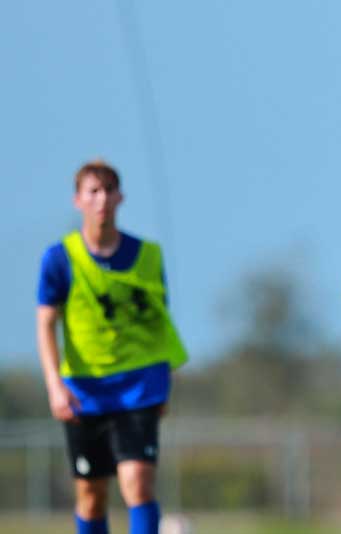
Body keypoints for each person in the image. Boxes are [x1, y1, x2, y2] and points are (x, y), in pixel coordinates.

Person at [36, 160, 186, 534]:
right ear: (78, 200)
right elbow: (46, 323)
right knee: (91, 493)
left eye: (108, 190)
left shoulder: (148, 255)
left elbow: (158, 323)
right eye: (93, 191)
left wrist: (163, 382)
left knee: (137, 481)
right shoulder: (60, 259)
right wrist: (55, 386)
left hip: (139, 384)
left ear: (121, 197)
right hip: (85, 390)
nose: (101, 199)